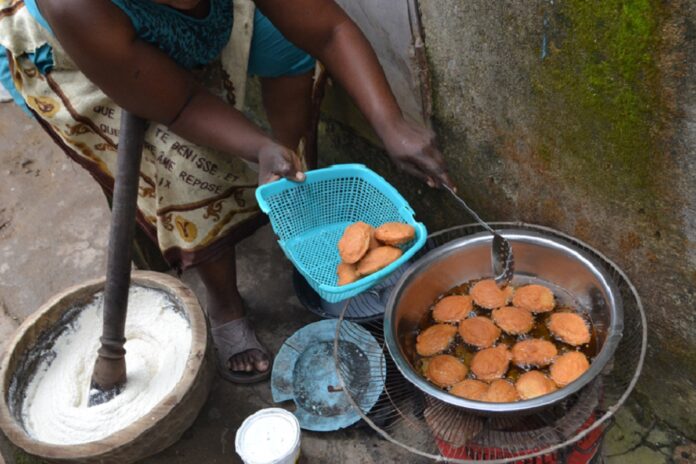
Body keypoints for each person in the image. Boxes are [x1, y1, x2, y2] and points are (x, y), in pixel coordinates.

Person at [0, 0, 452, 383]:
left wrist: (390, 123)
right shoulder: (76, 6)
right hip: (85, 54)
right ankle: (225, 304)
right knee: (190, 170)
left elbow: (328, 31)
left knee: (290, 50)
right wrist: (252, 146)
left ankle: (284, 191)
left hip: (194, 28)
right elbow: (180, 104)